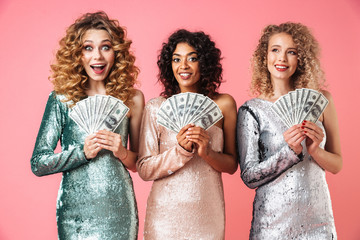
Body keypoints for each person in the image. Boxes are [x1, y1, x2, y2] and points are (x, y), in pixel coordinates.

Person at [30, 11, 144, 240]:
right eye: (88, 47)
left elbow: (139, 163)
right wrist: (81, 153)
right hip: (75, 215)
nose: (97, 56)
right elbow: (38, 163)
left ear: (117, 52)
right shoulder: (62, 99)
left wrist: (121, 152)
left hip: (119, 210)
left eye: (106, 47)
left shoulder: (133, 98)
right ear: (77, 54)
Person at [237, 22, 342, 239]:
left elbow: (337, 164)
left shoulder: (321, 101)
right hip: (271, 224)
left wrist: (316, 151)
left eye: (291, 52)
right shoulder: (252, 110)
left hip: (318, 221)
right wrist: (290, 152)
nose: (282, 58)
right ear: (264, 56)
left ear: (301, 58)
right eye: (275, 50)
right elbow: (249, 177)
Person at [136, 29, 238, 239]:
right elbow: (144, 169)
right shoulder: (156, 107)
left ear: (205, 63)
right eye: (176, 59)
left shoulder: (224, 104)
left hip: (207, 213)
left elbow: (232, 165)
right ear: (169, 65)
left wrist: (207, 152)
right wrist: (180, 151)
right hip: (164, 216)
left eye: (192, 58)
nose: (183, 66)